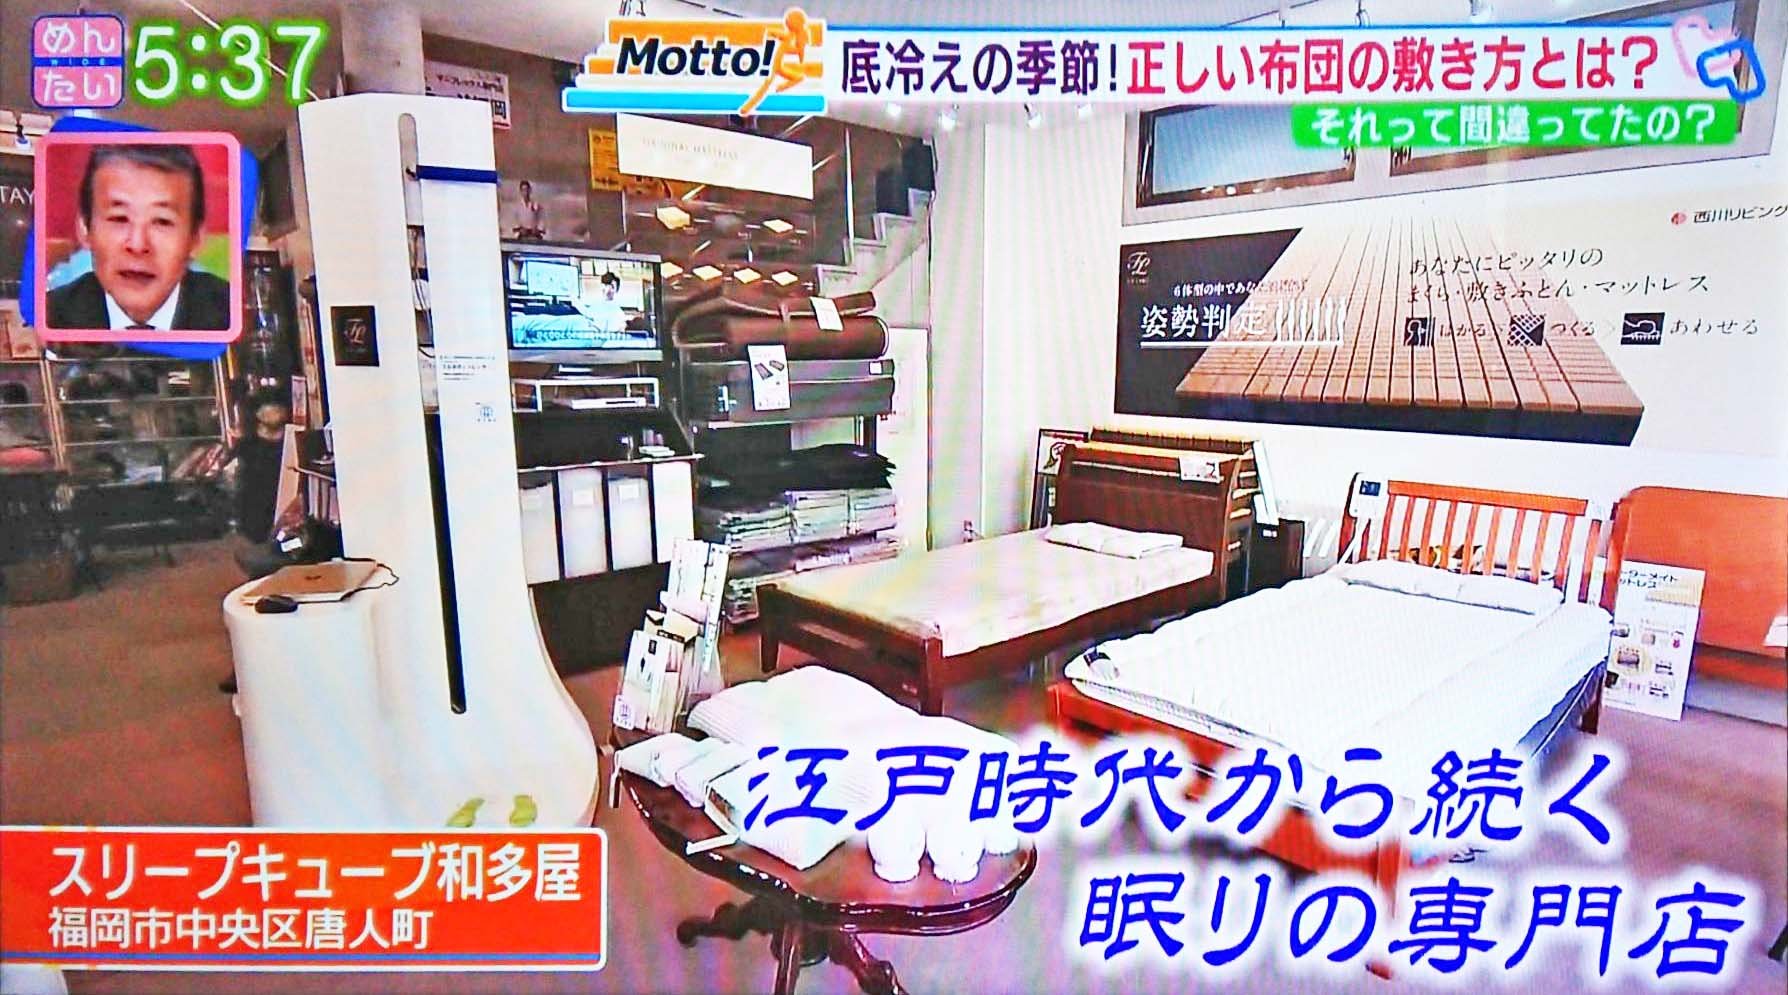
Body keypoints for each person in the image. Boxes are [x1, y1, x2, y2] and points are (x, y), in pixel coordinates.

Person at [45, 143, 232, 333]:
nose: (138, 244)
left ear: (196, 238)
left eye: (162, 221)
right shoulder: (49, 316)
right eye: (119, 218)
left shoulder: (231, 312)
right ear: (85, 229)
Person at [572, 270, 629, 334]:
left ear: (615, 288)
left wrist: (574, 300)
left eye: (611, 286)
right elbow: (588, 313)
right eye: (604, 285)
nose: (605, 288)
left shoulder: (618, 313)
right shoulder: (598, 304)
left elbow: (588, 313)